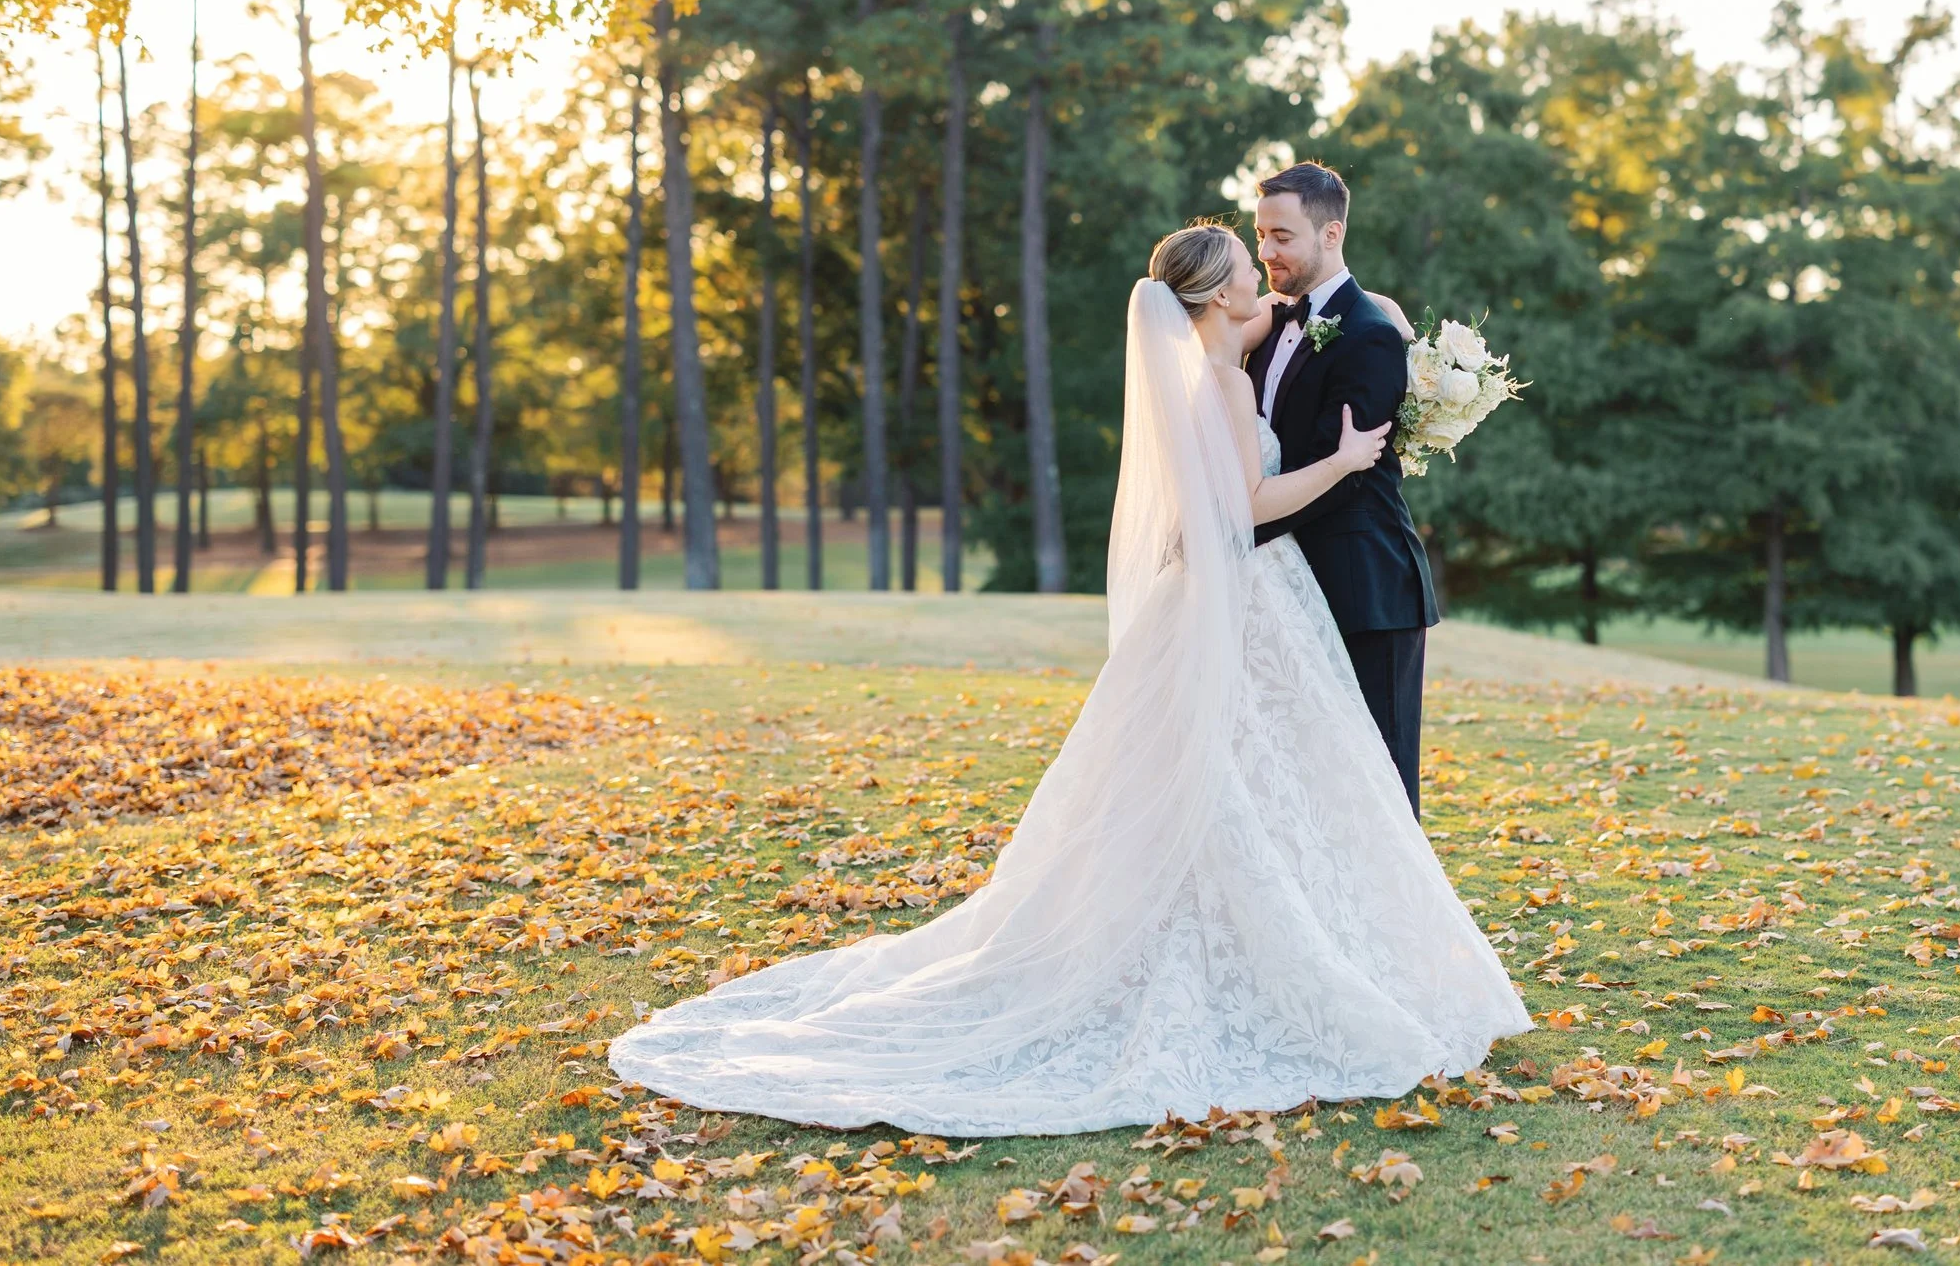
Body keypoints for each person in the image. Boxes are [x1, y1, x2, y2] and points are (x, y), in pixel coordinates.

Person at [606, 223, 1527, 1134]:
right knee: (1239, 778)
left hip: (1214, 597)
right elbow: (1248, 503)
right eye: (1251, 265)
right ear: (1216, 298)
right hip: (1246, 589)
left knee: (1229, 779)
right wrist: (1342, 460)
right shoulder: (1220, 376)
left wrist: (1391, 318)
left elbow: (1285, 316)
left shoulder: (1202, 353)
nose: (1263, 275)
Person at [1244, 161, 1438, 813]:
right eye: (1261, 234)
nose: (1266, 251)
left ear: (1331, 234)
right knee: (1311, 785)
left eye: (1283, 236)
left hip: (1367, 590)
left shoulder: (1371, 335)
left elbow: (1339, 478)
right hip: (1290, 585)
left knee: (1379, 788)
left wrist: (1234, 529)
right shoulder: (1267, 328)